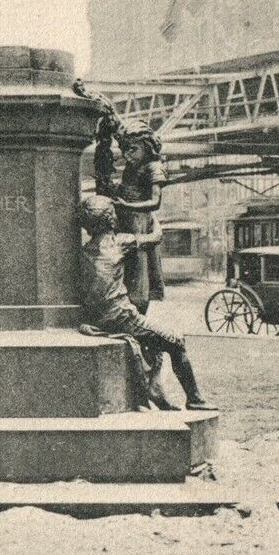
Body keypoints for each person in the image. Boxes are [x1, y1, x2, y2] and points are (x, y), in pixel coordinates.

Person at [77, 194, 213, 412]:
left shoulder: (84, 251)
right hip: (123, 316)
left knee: (155, 344)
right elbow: (156, 237)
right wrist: (151, 216)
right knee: (176, 342)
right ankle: (194, 399)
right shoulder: (120, 241)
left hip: (100, 317)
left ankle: (156, 390)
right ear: (109, 218)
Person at [95, 116, 167, 309]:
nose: (127, 155)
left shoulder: (154, 167)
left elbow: (155, 202)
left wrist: (126, 204)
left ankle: (137, 306)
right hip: (124, 220)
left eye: (133, 149)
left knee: (138, 269)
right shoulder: (131, 168)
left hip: (139, 223)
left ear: (147, 146)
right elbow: (128, 188)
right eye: (124, 150)